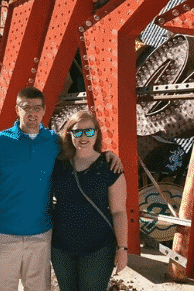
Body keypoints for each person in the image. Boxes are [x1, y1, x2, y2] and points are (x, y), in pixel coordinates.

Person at [0, 87, 122, 291]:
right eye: (26, 107)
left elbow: (82, 143)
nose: (32, 113)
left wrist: (108, 154)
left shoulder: (54, 142)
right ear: (17, 109)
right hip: (2, 233)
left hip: (41, 235)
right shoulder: (0, 142)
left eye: (37, 107)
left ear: (44, 110)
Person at [51, 110, 128, 291]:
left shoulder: (110, 166)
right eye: (77, 132)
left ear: (97, 134)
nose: (83, 137)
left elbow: (118, 211)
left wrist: (122, 249)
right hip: (61, 247)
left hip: (98, 247)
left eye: (89, 131)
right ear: (69, 135)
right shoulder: (58, 164)